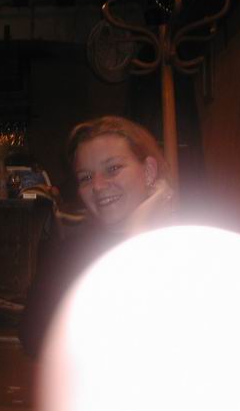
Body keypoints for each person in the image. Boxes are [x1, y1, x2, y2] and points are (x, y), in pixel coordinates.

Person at [38, 225, 240, 411]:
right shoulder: (73, 252)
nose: (97, 192)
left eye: (113, 172)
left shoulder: (204, 251)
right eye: (84, 183)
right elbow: (35, 331)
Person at [19, 116, 174, 355]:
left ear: (149, 171)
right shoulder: (67, 255)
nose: (98, 186)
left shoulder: (186, 245)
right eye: (86, 177)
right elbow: (34, 338)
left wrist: (138, 234)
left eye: (112, 169)